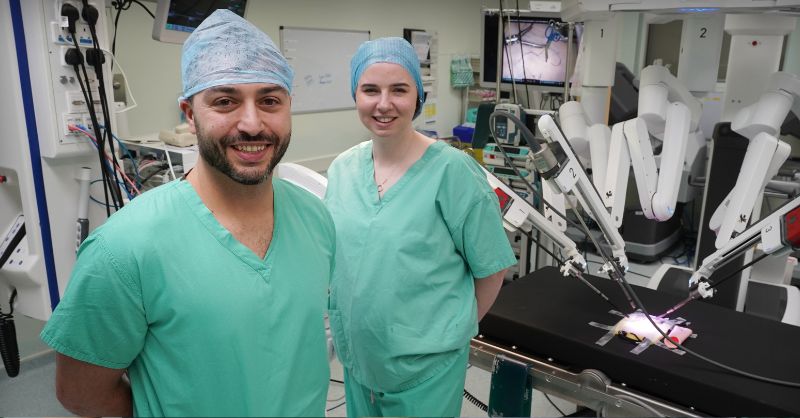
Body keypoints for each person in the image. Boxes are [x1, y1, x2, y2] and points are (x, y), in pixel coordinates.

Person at [40, 10, 335, 417]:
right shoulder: (123, 250)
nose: (252, 124)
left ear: (289, 108)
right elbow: (81, 393)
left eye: (270, 101)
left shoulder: (315, 218)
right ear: (190, 114)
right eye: (225, 101)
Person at [324, 37, 517, 417]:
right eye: (370, 90)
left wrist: (446, 332)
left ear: (418, 96)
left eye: (399, 89)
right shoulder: (343, 169)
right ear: (355, 95)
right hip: (359, 362)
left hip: (427, 370)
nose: (384, 104)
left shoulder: (453, 172)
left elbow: (492, 269)